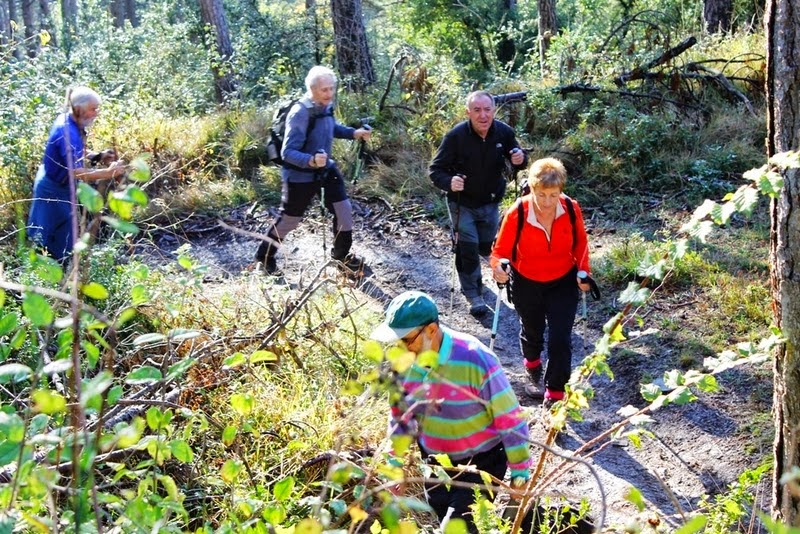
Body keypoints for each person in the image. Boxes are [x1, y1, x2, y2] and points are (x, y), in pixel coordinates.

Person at [372, 290, 531, 532]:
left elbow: (509, 417)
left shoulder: (475, 357)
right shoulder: (403, 365)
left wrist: (520, 472)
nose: (401, 349)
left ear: (431, 330)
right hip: (434, 466)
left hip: (481, 464)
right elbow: (400, 417)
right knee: (448, 519)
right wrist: (394, 464)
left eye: (407, 340)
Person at [490, 158, 591, 407]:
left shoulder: (571, 208)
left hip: (563, 280)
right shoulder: (518, 212)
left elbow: (581, 243)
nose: (547, 202)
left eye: (553, 195)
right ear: (532, 189)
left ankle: (555, 393)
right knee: (532, 330)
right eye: (541, 194)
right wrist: (498, 268)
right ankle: (532, 364)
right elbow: (500, 251)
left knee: (560, 338)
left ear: (561, 191)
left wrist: (584, 272)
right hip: (526, 281)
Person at [254, 66, 372, 275]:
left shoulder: (325, 106)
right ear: (312, 89)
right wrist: (311, 161)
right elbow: (288, 152)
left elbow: (330, 127)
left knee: (344, 211)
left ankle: (342, 257)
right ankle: (264, 258)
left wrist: (354, 133)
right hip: (299, 176)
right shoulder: (300, 113)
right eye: (324, 90)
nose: (330, 93)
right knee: (290, 219)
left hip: (326, 170)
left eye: (332, 88)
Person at [429, 90, 528, 317]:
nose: (482, 115)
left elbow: (518, 159)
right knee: (468, 247)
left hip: (491, 201)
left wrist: (520, 158)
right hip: (462, 203)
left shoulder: (504, 132)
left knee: (485, 246)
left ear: (494, 110)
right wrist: (449, 182)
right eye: (477, 110)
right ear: (468, 113)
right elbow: (435, 170)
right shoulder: (455, 137)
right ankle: (473, 293)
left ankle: (476, 278)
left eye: (487, 110)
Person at [27, 86, 127, 263]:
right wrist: (109, 173)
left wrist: (97, 156)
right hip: (52, 187)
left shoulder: (70, 121)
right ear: (79, 108)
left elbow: (72, 154)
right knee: (48, 234)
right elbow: (75, 172)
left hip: (61, 183)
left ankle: (66, 264)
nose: (96, 113)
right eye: (93, 109)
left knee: (65, 229)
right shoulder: (66, 132)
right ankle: (50, 270)